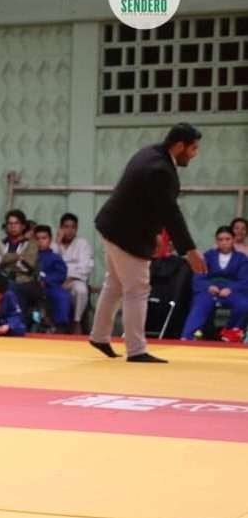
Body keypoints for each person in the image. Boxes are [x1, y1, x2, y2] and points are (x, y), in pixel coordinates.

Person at [90, 123, 207, 362]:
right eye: (193, 148)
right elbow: (170, 213)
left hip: (113, 224)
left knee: (115, 284)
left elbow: (145, 201)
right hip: (126, 234)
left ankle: (100, 336)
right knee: (138, 289)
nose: (195, 154)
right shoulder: (161, 170)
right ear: (179, 146)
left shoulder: (149, 152)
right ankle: (136, 349)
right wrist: (190, 250)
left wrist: (155, 233)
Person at [180, 226, 248, 342]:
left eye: (227, 239)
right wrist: (208, 286)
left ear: (233, 240)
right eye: (220, 239)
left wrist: (230, 288)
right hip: (210, 290)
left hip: (231, 292)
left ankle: (230, 333)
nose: (224, 242)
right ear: (216, 241)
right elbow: (199, 277)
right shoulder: (208, 256)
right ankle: (188, 336)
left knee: (244, 305)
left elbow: (244, 280)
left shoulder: (241, 258)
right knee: (200, 303)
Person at [0, 209, 39, 314]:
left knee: (11, 289)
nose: (13, 226)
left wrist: (2, 260)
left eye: (16, 223)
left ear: (23, 226)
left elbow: (27, 267)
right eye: (10, 223)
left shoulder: (31, 245)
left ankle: (14, 320)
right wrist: (16, 257)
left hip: (22, 281)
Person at [54, 213, 94, 334]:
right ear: (61, 228)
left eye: (73, 227)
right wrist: (57, 243)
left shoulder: (82, 243)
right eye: (66, 227)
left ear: (76, 228)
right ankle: (56, 327)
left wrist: (71, 277)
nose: (70, 230)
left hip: (75, 280)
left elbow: (86, 266)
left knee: (81, 290)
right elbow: (51, 263)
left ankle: (77, 322)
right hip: (56, 281)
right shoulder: (54, 244)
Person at [33, 225, 71, 332]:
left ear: (50, 240)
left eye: (44, 238)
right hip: (31, 286)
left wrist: (46, 280)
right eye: (37, 238)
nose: (40, 241)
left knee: (62, 296)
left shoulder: (55, 257)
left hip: (50, 287)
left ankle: (60, 327)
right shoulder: (29, 256)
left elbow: (61, 274)